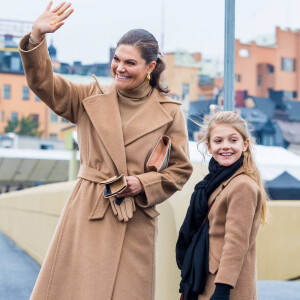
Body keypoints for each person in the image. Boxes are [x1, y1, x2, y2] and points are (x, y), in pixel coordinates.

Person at [19, 2, 193, 299]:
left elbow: (181, 168)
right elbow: (43, 83)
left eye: (130, 63)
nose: (119, 68)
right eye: (116, 59)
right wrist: (36, 38)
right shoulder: (90, 96)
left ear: (150, 67)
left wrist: (144, 183)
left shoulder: (170, 112)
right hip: (89, 208)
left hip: (134, 216)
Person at [176, 111, 267, 300]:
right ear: (209, 146)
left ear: (245, 145)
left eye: (233, 140)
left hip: (222, 286)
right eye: (218, 141)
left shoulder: (242, 185)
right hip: (205, 279)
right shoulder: (215, 183)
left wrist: (223, 289)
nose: (225, 146)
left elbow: (236, 242)